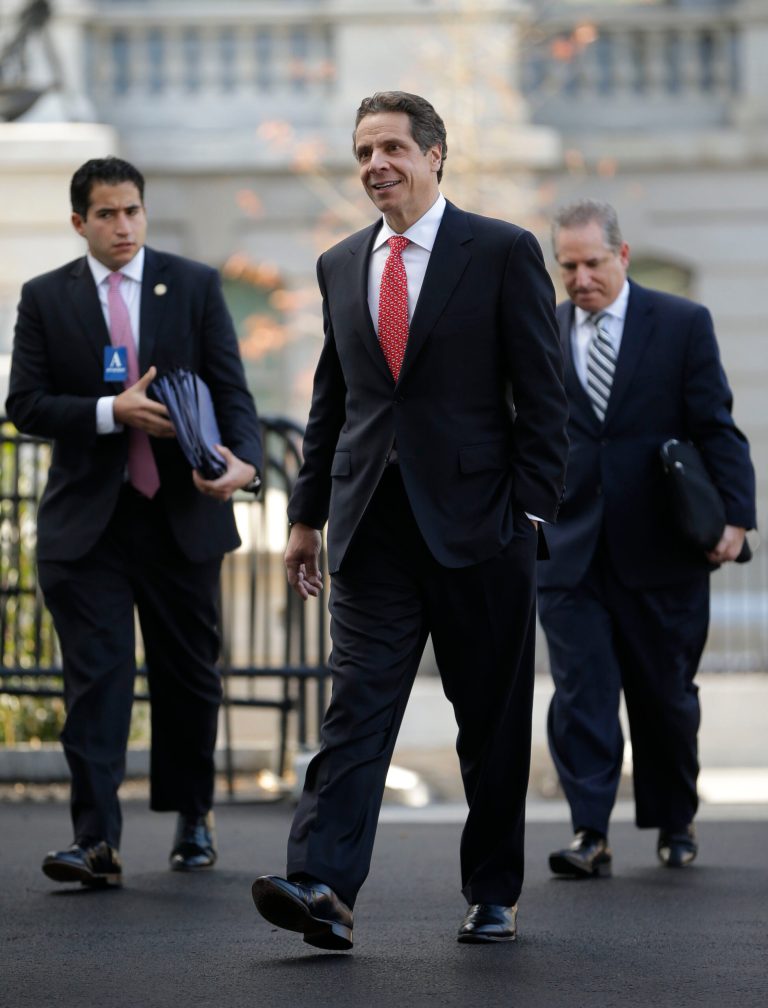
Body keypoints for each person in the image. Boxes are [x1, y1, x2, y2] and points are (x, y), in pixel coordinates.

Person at [251, 91, 568, 950]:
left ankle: (493, 891)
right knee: (355, 708)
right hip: (371, 528)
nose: (375, 165)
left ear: (434, 155)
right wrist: (306, 516)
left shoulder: (500, 251)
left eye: (391, 147)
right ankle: (322, 884)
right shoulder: (339, 263)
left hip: (482, 527)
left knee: (490, 721)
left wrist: (529, 509)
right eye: (363, 151)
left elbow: (545, 396)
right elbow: (334, 401)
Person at [5, 157, 263, 887]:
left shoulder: (194, 284)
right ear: (79, 222)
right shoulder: (46, 297)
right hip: (90, 526)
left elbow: (231, 388)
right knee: (97, 681)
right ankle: (94, 840)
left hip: (180, 515)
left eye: (133, 211)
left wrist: (245, 462)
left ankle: (193, 816)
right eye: (107, 214)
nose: (123, 226)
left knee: (189, 676)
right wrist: (107, 411)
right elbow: (25, 403)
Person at [539, 199, 756, 879]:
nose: (580, 278)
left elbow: (716, 426)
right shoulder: (542, 330)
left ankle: (675, 819)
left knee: (666, 696)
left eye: (592, 263)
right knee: (581, 694)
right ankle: (589, 831)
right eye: (568, 266)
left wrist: (736, 518)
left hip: (663, 548)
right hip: (571, 551)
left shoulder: (682, 323)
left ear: (622, 255)